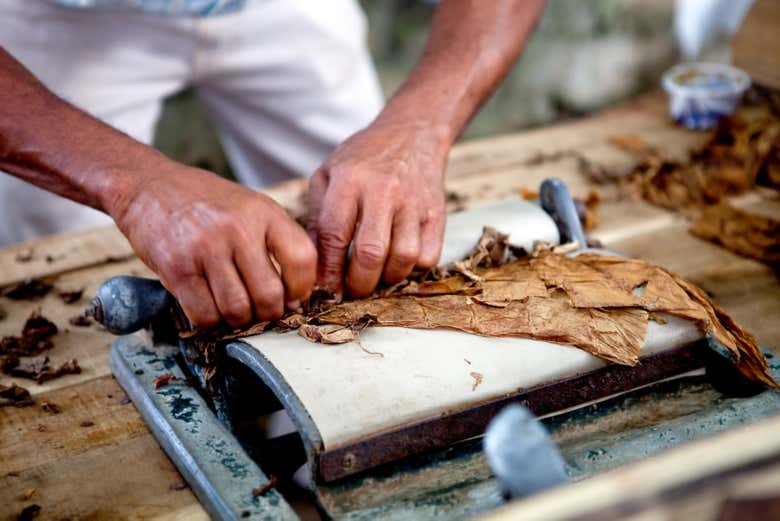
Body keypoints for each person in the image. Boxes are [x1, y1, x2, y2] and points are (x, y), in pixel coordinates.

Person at [0, 0, 545, 328]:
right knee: (63, 275)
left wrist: (422, 128)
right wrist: (132, 188)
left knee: (371, 226)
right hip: (65, 17)